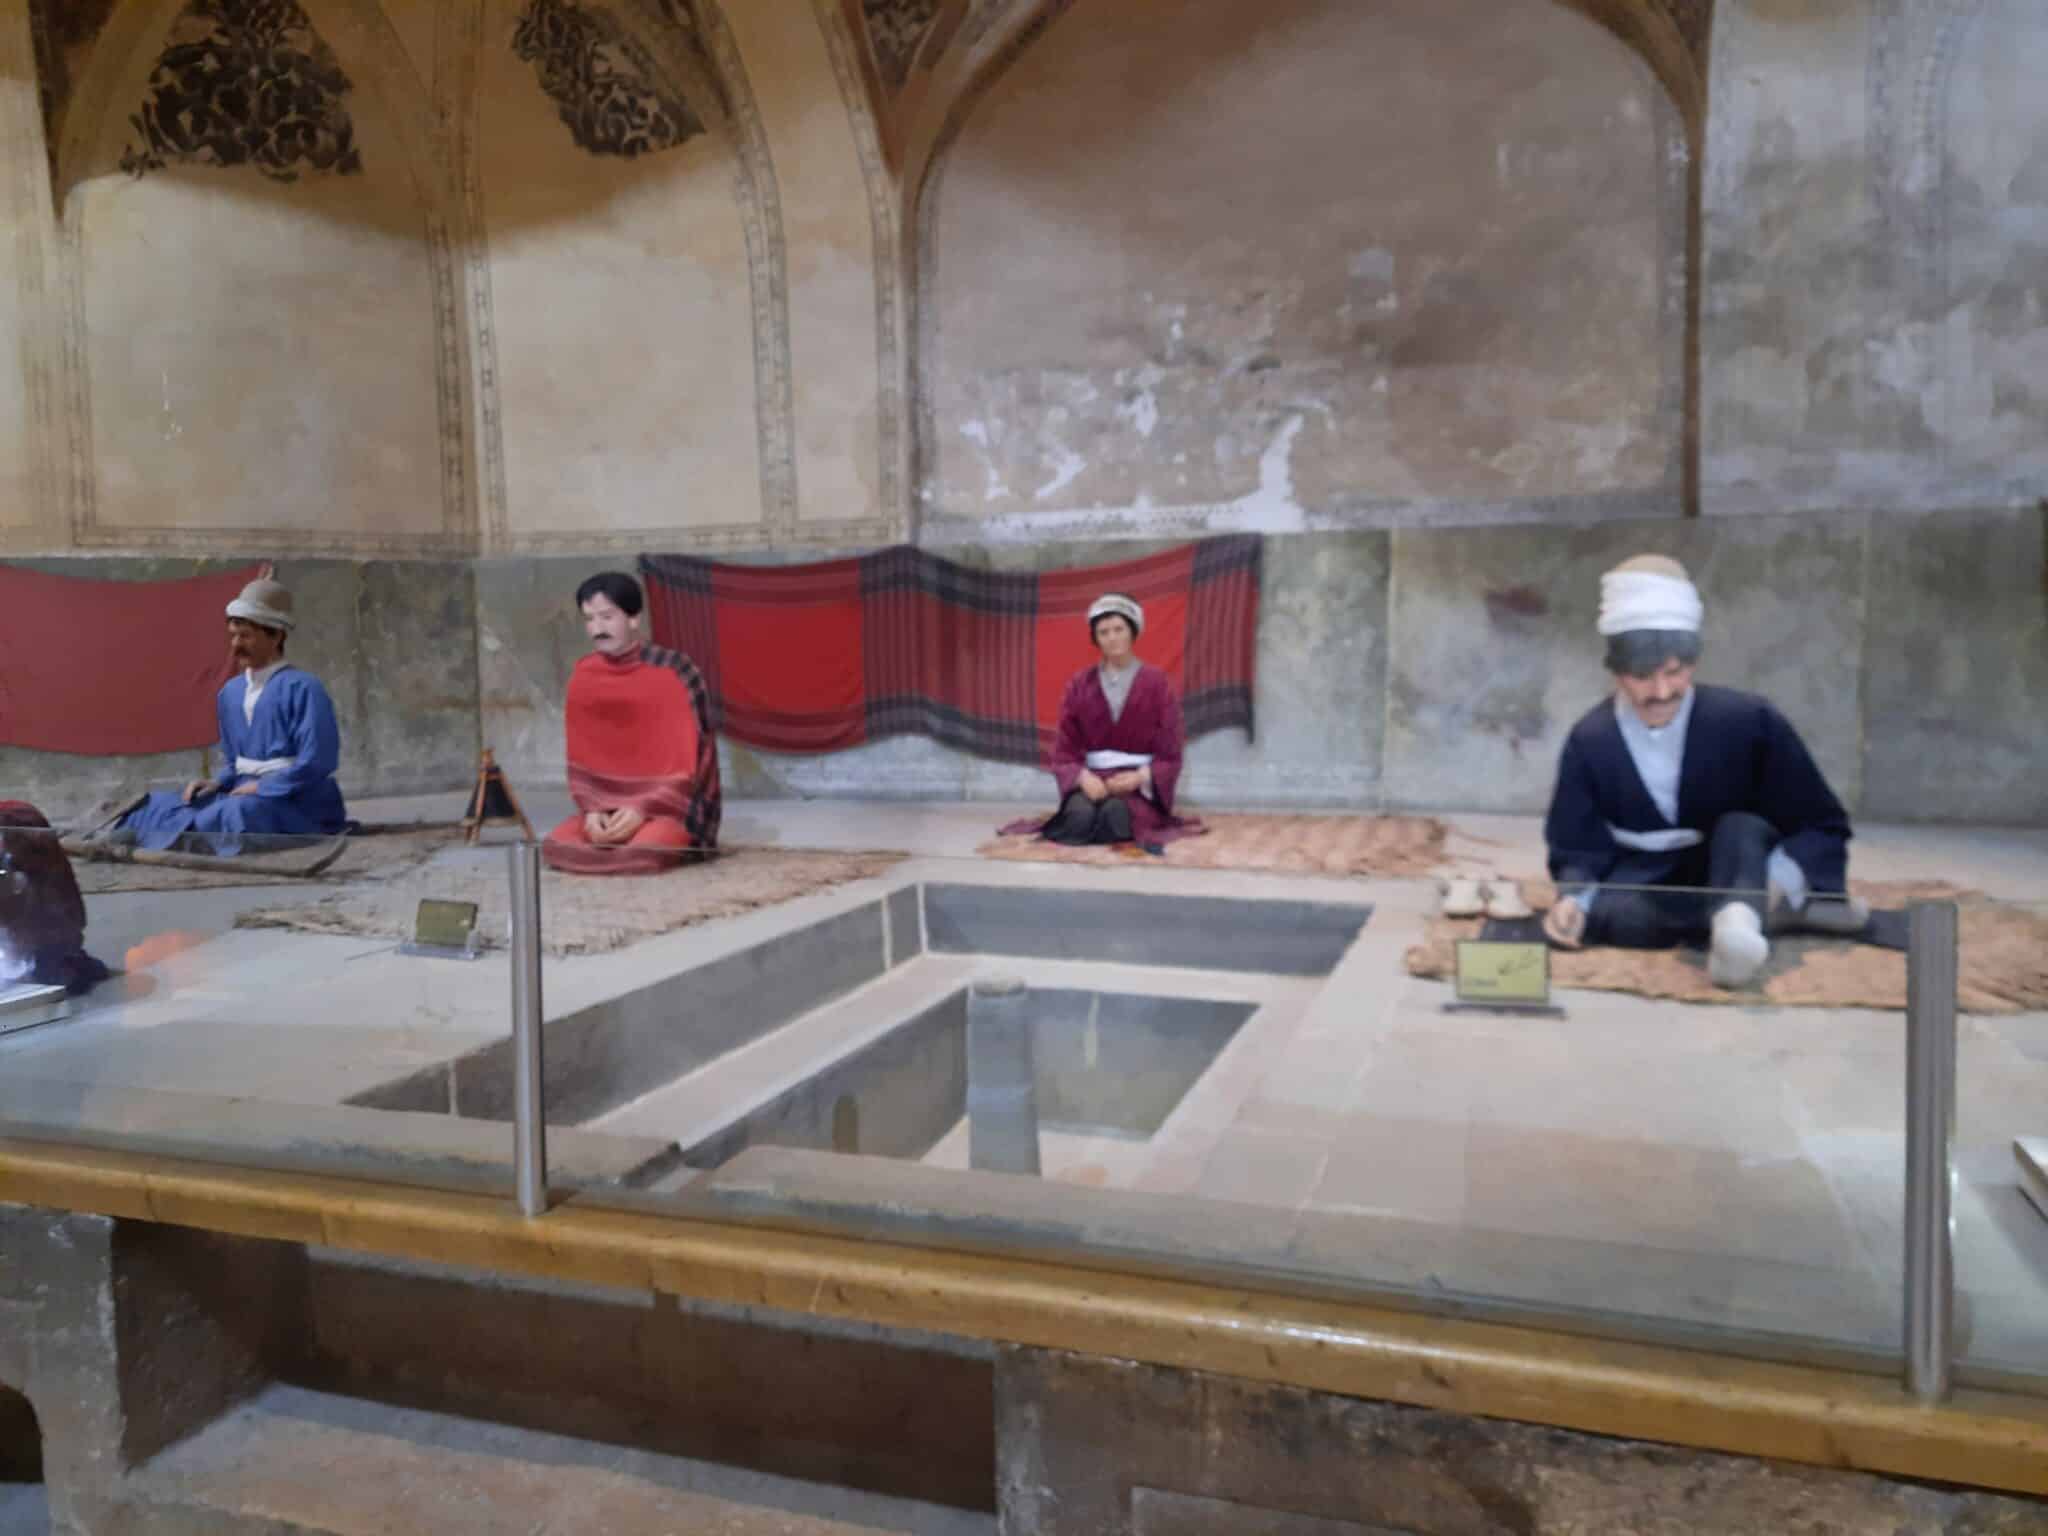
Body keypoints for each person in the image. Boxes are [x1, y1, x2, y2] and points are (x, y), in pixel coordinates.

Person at [1541, 555, 1865, 987]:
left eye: (1674, 672)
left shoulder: (1748, 719)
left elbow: (1818, 823)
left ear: (1692, 664)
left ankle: (1743, 917)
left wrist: (1780, 878)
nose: (1661, 692)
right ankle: (1765, 916)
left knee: (1740, 829)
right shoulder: (1591, 738)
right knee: (1608, 916)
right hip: (1651, 876)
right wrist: (1575, 900)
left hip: (1742, 862)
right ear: (1616, 672)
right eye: (1641, 676)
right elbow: (1577, 841)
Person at [115, 577, 347, 856]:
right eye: (233, 636)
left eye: (246, 636)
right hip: (241, 789)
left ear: (276, 636)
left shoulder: (304, 688)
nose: (236, 645)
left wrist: (264, 786)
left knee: (237, 812)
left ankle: (175, 838)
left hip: (296, 798)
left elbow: (319, 761)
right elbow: (234, 763)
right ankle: (177, 834)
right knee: (157, 803)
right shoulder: (230, 692)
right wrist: (216, 783)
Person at [543, 571, 720, 875]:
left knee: (643, 854)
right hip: (606, 806)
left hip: (668, 808)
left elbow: (690, 764)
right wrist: (593, 809)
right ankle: (607, 839)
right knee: (555, 847)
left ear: (634, 618)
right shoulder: (584, 675)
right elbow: (582, 758)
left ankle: (638, 843)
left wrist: (643, 809)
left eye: (607, 617)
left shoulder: (674, 670)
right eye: (589, 619)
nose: (598, 629)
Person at [1031, 592, 1199, 850]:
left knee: (1114, 815)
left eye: (1119, 629)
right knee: (1078, 818)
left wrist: (1140, 777)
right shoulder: (1080, 684)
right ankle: (1091, 818)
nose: (1112, 638)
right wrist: (1083, 778)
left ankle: (1118, 819)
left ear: (1132, 632)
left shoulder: (1157, 683)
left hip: (1135, 785)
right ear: (1096, 639)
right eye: (1104, 632)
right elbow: (1064, 749)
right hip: (1094, 780)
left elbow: (1170, 751)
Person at [0, 801, 109, 995]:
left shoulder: (17, 825)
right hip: (40, 928)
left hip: (46, 931)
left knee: (49, 973)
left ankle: (62, 960)